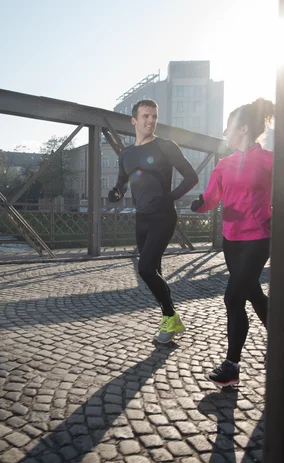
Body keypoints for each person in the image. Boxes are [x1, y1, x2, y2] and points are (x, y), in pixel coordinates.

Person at [191, 98, 275, 387]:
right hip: (231, 241)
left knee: (233, 297)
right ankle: (280, 338)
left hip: (258, 239)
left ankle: (232, 366)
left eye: (228, 127)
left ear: (243, 129)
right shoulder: (224, 165)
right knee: (252, 293)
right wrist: (199, 205)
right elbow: (213, 197)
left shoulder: (269, 160)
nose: (224, 132)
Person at [109, 99, 199, 343]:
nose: (150, 121)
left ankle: (171, 316)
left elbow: (191, 177)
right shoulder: (126, 154)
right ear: (134, 120)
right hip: (142, 219)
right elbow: (121, 182)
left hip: (163, 216)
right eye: (145, 116)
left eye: (154, 116)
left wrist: (168, 198)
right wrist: (116, 192)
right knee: (154, 271)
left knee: (145, 269)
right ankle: (169, 322)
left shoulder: (166, 146)